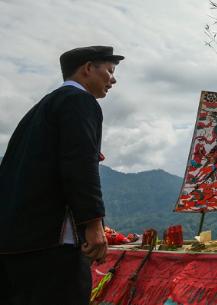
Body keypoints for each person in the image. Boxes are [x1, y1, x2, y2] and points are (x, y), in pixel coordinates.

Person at [0, 45, 124, 304]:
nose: (113, 80)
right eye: (110, 71)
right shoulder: (79, 101)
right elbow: (79, 163)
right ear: (88, 68)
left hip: (16, 241)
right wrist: (93, 224)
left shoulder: (40, 109)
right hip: (52, 244)